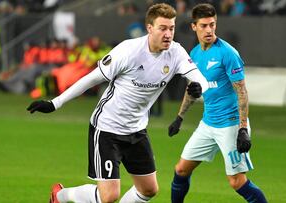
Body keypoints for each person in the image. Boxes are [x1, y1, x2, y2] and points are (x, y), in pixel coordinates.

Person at [26, 3, 209, 203]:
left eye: (171, 28)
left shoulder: (176, 52)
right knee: (109, 196)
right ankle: (60, 195)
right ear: (150, 28)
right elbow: (91, 78)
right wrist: (55, 103)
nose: (168, 34)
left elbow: (202, 80)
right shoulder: (128, 50)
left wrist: (199, 87)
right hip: (107, 128)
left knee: (148, 190)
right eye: (162, 28)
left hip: (137, 130)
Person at [168, 3, 267, 203]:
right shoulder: (195, 54)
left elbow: (242, 92)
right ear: (193, 27)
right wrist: (180, 117)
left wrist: (242, 129)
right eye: (204, 25)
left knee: (237, 181)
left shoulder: (228, 53)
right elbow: (192, 89)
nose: (209, 30)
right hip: (208, 123)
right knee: (181, 170)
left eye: (212, 25)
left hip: (230, 125)